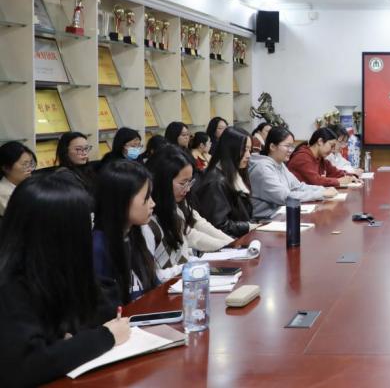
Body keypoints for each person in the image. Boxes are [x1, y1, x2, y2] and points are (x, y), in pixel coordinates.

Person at [0, 172, 131, 386]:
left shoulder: (51, 269)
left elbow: (103, 308)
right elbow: (26, 366)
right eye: (85, 225)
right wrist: (105, 336)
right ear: (60, 234)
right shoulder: (9, 285)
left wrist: (67, 344)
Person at [143, 147, 233, 280]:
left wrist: (231, 246)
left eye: (190, 182)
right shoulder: (146, 222)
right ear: (162, 182)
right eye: (182, 183)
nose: (188, 188)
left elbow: (191, 231)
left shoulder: (174, 206)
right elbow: (152, 276)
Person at [93, 160, 158, 306]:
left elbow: (154, 285)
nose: (153, 203)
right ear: (121, 200)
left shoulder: (134, 233)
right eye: (146, 197)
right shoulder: (98, 248)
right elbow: (106, 310)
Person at [249, 127, 337, 219]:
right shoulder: (262, 169)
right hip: (265, 221)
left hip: (280, 215)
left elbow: (298, 186)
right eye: (287, 146)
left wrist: (323, 189)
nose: (290, 150)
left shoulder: (279, 164)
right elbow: (286, 197)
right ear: (272, 147)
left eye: (292, 146)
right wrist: (321, 194)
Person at [192, 127, 255, 237]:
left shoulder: (234, 173)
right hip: (226, 242)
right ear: (230, 150)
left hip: (239, 237)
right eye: (244, 150)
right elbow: (219, 225)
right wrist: (248, 226)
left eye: (249, 150)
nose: (248, 155)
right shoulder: (215, 182)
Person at [287, 127, 358, 188]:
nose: (332, 150)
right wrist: (338, 181)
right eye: (331, 146)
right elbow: (316, 181)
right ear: (320, 141)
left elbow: (335, 172)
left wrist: (351, 176)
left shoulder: (320, 158)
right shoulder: (302, 157)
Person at [0, 141, 36, 217]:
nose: (30, 169)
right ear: (6, 168)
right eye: (25, 164)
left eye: (31, 163)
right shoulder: (4, 193)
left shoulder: (25, 184)